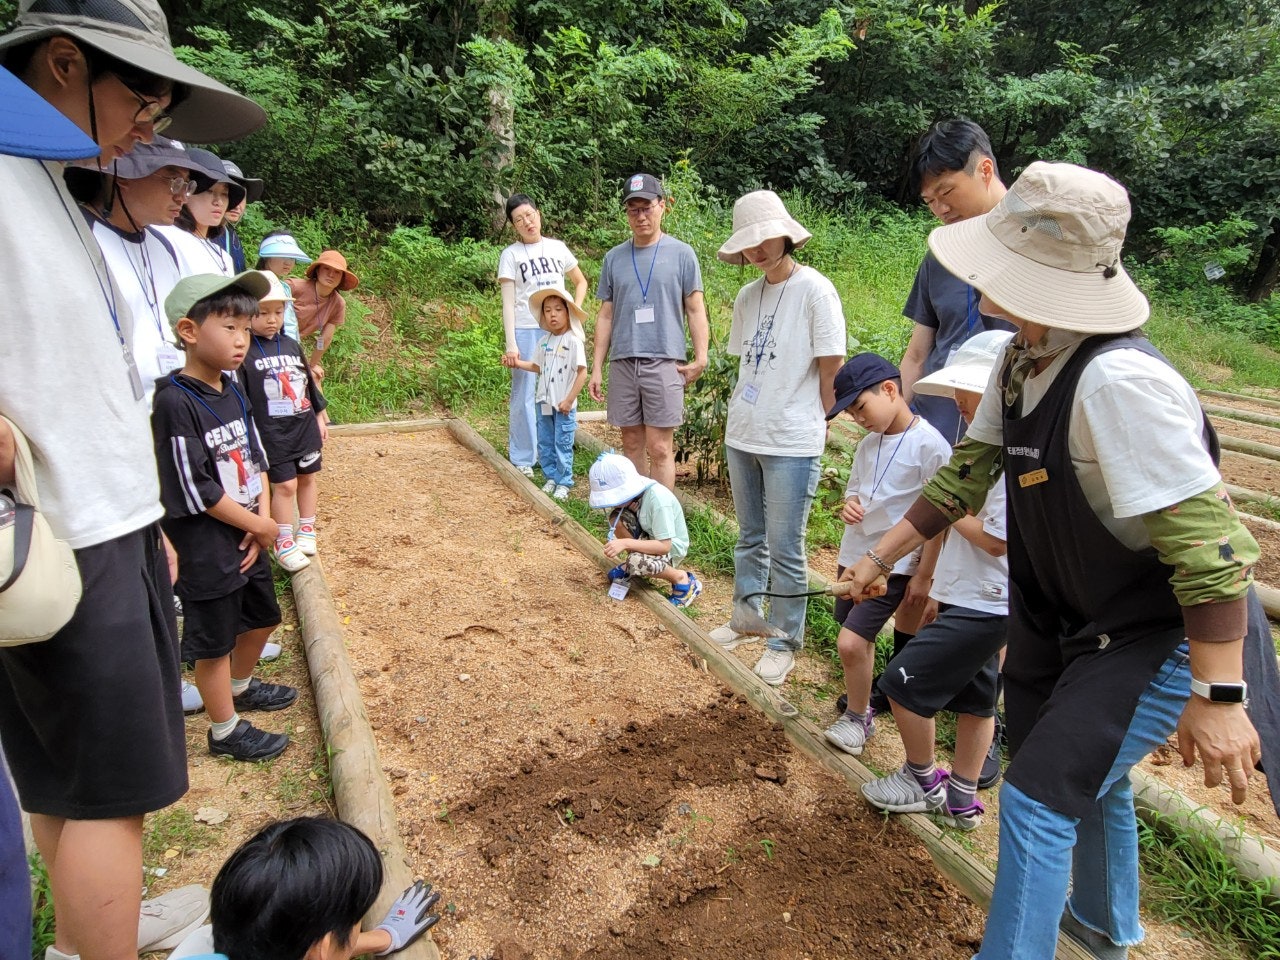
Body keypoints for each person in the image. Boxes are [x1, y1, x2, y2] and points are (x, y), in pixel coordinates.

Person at [839, 162, 1275, 960]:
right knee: (1085, 779)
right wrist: (880, 559)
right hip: (1075, 621)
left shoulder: (1119, 382)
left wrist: (1218, 694)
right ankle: (1104, 924)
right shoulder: (1019, 361)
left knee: (1037, 796)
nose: (975, 282)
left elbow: (1212, 552)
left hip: (1157, 635)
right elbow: (960, 480)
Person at [0, 0, 264, 956]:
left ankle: (91, 920)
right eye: (143, 95)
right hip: (71, 532)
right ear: (65, 63)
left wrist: (142, 511)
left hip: (90, 522)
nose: (152, 122)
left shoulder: (45, 181)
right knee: (115, 790)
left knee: (63, 772)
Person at [859, 330, 1013, 829]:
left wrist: (944, 506)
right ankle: (962, 799)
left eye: (969, 397)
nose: (963, 407)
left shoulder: (1010, 463)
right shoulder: (984, 449)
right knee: (977, 698)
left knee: (901, 682)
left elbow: (996, 540)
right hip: (970, 593)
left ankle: (920, 779)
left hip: (987, 599)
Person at [153, 271, 299, 763]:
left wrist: (261, 514)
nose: (241, 339)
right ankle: (224, 730)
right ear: (189, 331)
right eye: (229, 328)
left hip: (248, 531)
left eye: (245, 327)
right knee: (212, 642)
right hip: (207, 543)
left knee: (262, 617)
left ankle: (240, 685)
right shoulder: (175, 402)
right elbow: (195, 487)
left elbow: (255, 455)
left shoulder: (233, 387)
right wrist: (256, 524)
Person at [705, 190, 846, 686]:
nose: (758, 251)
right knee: (750, 538)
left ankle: (785, 638)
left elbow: (832, 367)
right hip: (743, 431)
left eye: (766, 239)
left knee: (787, 546)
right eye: (749, 244)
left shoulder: (816, 291)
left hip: (792, 437)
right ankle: (746, 618)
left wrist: (825, 423)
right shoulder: (748, 296)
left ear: (785, 235)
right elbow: (748, 361)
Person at [823, 353, 951, 746]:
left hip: (892, 565)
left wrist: (925, 574)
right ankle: (872, 695)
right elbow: (856, 489)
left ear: (890, 390)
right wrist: (849, 505)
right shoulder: (867, 445)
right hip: (854, 554)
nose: (859, 420)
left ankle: (858, 717)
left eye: (861, 408)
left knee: (851, 641)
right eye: (853, 415)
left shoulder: (930, 445)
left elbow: (939, 517)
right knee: (851, 631)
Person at [71, 135, 226, 405]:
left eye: (187, 185)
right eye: (174, 181)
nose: (182, 196)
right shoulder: (78, 237)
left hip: (174, 409)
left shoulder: (163, 246)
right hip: (113, 409)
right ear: (124, 176)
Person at [167, 817, 441, 960]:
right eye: (356, 922)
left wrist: (386, 937)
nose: (357, 928)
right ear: (321, 948)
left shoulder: (202, 947)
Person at [899, 118, 1016, 446]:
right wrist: (901, 419)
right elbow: (917, 353)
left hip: (1003, 432)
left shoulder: (1033, 244)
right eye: (929, 201)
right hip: (933, 428)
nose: (941, 209)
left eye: (946, 192)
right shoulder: (940, 255)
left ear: (985, 170)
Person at [589, 173, 709, 490]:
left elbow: (695, 308)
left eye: (647, 208)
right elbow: (606, 314)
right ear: (627, 213)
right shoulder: (613, 258)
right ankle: (637, 513)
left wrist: (701, 356)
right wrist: (597, 366)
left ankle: (661, 519)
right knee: (630, 444)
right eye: (633, 210)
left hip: (665, 361)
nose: (641, 216)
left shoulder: (683, 254)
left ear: (662, 207)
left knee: (660, 447)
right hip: (624, 361)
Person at [238, 273, 329, 571]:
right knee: (285, 485)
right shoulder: (244, 353)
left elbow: (307, 382)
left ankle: (307, 528)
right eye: (263, 313)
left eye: (278, 312)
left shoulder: (291, 345)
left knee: (307, 478)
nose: (271, 319)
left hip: (302, 427)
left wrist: (318, 414)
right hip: (272, 433)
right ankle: (283, 539)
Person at [498, 193, 589, 478]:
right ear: (514, 225)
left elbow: (580, 281)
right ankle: (525, 455)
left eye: (530, 215)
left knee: (559, 386)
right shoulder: (510, 255)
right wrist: (511, 343)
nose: (527, 222)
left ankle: (552, 447)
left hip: (559, 329)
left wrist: (574, 312)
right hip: (526, 327)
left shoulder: (557, 247)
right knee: (525, 390)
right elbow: (508, 302)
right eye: (519, 219)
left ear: (538, 213)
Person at [501, 283, 589, 500]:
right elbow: (536, 367)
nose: (553, 315)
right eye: (548, 311)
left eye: (558, 310)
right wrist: (516, 364)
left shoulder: (573, 341)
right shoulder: (543, 342)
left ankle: (564, 481)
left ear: (568, 312)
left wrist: (569, 400)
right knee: (546, 440)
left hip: (563, 405)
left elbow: (582, 373)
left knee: (562, 440)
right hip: (545, 403)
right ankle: (551, 476)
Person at [588, 452, 701, 607]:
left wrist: (626, 543)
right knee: (617, 519)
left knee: (636, 561)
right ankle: (635, 563)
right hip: (650, 535)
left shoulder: (659, 500)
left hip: (669, 547)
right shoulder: (638, 496)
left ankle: (681, 579)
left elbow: (664, 546)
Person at [157, 147, 244, 278]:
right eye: (209, 191)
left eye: (225, 194)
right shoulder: (162, 237)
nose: (218, 202)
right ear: (187, 190)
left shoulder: (223, 256)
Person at [289, 248, 358, 383]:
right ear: (318, 270)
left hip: (292, 347)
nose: (331, 275)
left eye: (337, 272)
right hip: (269, 340)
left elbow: (325, 338)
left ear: (342, 278)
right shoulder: (294, 287)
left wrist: (312, 364)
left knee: (315, 377)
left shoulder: (338, 303)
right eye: (327, 269)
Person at [255, 231, 312, 341]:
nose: (288, 263)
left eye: (291, 258)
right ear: (267, 257)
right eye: (281, 256)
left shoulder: (284, 287)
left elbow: (289, 323)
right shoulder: (256, 283)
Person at [219, 159, 262, 272]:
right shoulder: (199, 235)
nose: (237, 205)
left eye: (241, 197)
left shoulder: (232, 237)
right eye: (228, 195)